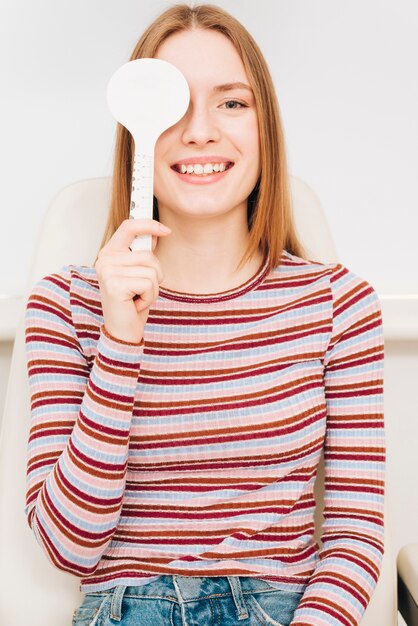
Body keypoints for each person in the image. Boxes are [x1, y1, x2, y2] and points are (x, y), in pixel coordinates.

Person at [24, 4, 385, 626]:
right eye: (172, 105)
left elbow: (355, 537)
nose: (199, 132)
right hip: (124, 610)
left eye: (232, 103)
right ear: (134, 132)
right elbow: (66, 545)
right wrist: (120, 340)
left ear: (265, 127)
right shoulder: (64, 306)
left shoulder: (340, 305)